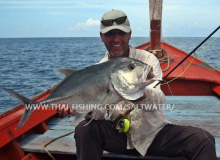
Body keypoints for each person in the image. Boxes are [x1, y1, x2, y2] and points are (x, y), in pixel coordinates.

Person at [63, 10, 217, 160]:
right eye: (110, 34)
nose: (116, 39)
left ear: (129, 34)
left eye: (121, 33)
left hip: (154, 134)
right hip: (119, 135)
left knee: (204, 140)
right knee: (84, 129)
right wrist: (81, 109)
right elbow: (100, 114)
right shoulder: (98, 70)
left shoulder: (146, 61)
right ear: (101, 37)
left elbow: (158, 100)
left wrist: (141, 95)